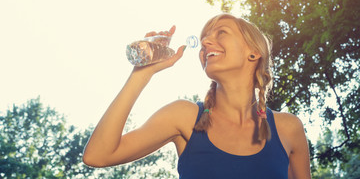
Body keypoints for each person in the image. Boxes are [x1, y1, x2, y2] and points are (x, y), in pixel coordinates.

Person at [83, 14, 311, 178]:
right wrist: (142, 73)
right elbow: (98, 155)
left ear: (253, 53)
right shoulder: (184, 117)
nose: (204, 42)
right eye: (204, 37)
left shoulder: (288, 128)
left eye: (221, 32)